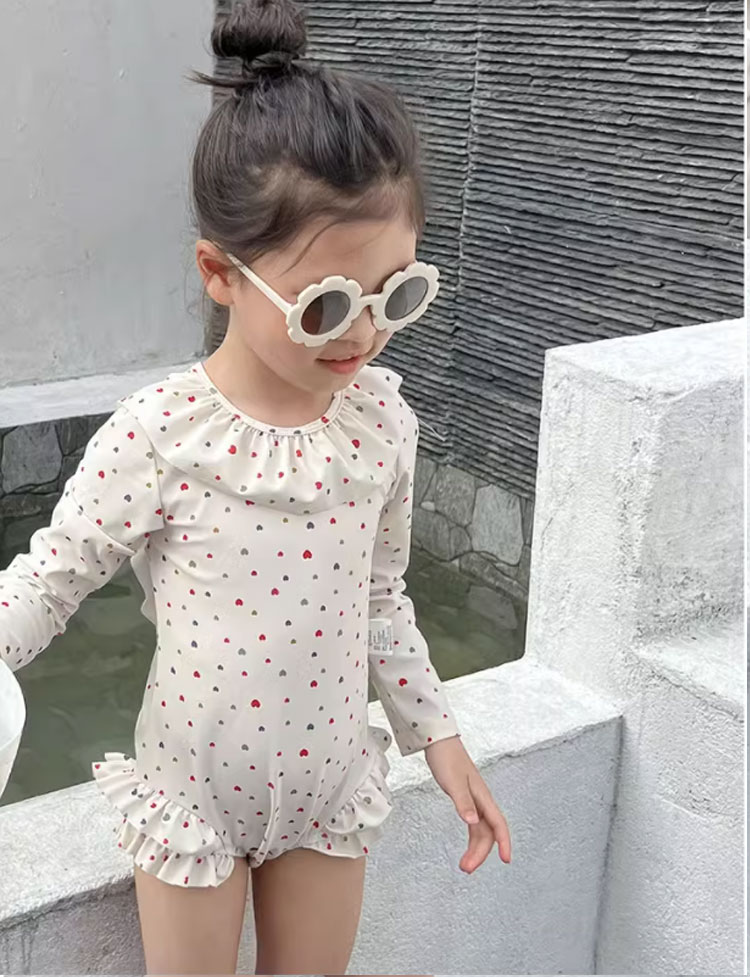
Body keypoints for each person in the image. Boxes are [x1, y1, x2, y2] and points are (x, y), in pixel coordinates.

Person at [0, 0, 511, 972]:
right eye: (327, 304)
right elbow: (52, 578)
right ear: (220, 272)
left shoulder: (381, 424)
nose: (365, 333)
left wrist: (439, 739)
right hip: (193, 794)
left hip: (330, 790)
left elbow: (380, 598)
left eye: (397, 292)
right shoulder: (163, 433)